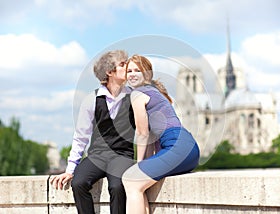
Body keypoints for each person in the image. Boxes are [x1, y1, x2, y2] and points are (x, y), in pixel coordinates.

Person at [50, 50, 135, 214]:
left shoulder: (134, 96)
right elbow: (81, 137)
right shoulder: (91, 100)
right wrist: (70, 169)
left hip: (122, 154)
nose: (128, 66)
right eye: (123, 64)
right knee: (78, 183)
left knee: (117, 187)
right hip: (97, 155)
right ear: (109, 72)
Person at [122, 54, 200, 214]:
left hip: (177, 147)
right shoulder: (153, 92)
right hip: (188, 148)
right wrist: (143, 166)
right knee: (137, 181)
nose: (132, 74)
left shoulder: (138, 94)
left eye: (138, 70)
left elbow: (142, 134)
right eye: (129, 71)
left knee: (130, 180)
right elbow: (151, 140)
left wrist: (139, 164)